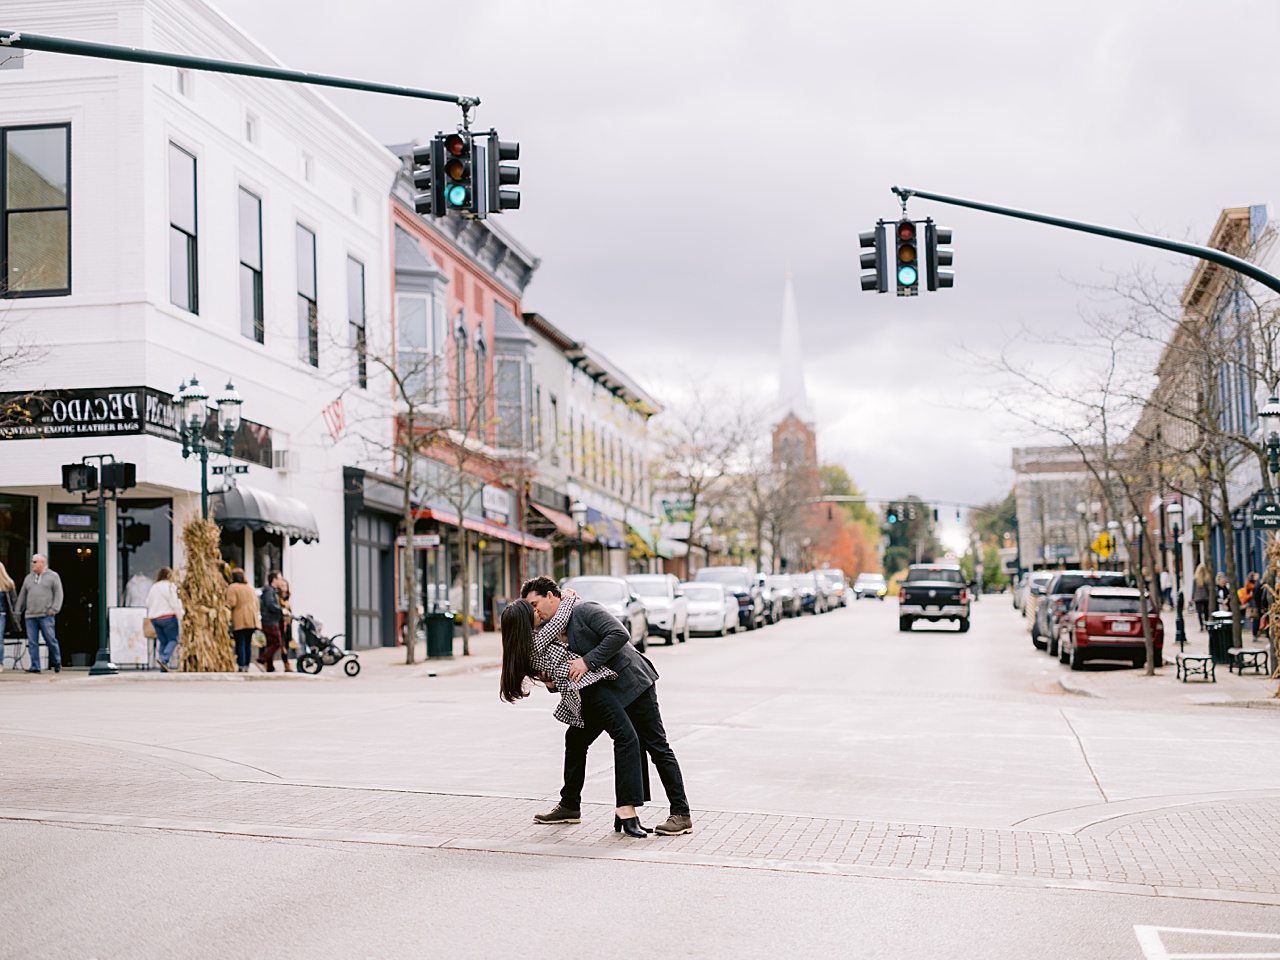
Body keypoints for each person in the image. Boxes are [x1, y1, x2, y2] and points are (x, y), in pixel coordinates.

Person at [521, 576, 693, 838]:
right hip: (601, 694)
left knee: (655, 746)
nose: (535, 611)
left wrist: (587, 662)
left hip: (633, 684)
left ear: (551, 596)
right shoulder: (550, 630)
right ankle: (569, 806)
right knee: (576, 739)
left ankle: (681, 814)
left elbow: (619, 634)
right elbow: (562, 667)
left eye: (536, 603)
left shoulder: (584, 610)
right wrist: (551, 682)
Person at [500, 597, 650, 838]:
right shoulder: (537, 639)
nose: (538, 611)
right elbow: (562, 614)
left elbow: (551, 674)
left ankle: (569, 804)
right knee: (627, 738)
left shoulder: (526, 645)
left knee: (576, 740)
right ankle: (626, 810)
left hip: (581, 692)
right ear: (524, 622)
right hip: (590, 689)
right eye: (532, 610)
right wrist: (568, 597)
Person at [15, 554, 63, 673]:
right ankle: (35, 666)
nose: (32, 564)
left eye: (35, 562)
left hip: (46, 615)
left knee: (50, 639)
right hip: (30, 615)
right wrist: (17, 611)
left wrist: (54, 609)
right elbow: (22, 596)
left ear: (43, 563)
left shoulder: (53, 577)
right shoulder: (28, 578)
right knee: (32, 642)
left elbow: (59, 594)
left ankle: (56, 661)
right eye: (32, 561)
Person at [146, 567, 184, 672]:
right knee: (173, 639)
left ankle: (163, 666)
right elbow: (174, 603)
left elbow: (148, 603)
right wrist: (181, 615)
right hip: (168, 617)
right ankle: (164, 659)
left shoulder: (154, 587)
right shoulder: (170, 586)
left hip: (155, 618)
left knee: (163, 641)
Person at [226, 569, 260, 673]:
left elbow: (231, 602)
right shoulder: (250, 588)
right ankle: (246, 665)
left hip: (240, 618)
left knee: (240, 642)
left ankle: (241, 665)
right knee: (247, 643)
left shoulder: (233, 587)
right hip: (252, 618)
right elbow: (257, 603)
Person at [258, 570, 288, 672]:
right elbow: (270, 605)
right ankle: (261, 660)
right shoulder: (269, 591)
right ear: (274, 580)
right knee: (276, 643)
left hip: (271, 620)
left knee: (271, 643)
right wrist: (281, 610)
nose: (281, 581)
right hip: (270, 621)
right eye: (279, 578)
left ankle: (270, 667)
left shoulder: (272, 591)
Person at [0, 560, 16, 672]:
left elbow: (14, 602)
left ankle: (0, 663)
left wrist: (16, 617)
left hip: (1, 614)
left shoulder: (7, 584)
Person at [277, 578, 294, 672]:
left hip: (287, 624)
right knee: (280, 644)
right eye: (282, 586)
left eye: (285, 586)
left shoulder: (287, 599)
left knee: (286, 644)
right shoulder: (278, 598)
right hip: (280, 623)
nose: (284, 588)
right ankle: (286, 664)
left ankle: (287, 664)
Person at [1191, 564, 1211, 631]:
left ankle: (1201, 625)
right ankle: (1206, 624)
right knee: (1206, 612)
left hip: (1198, 598)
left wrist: (1192, 597)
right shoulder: (1206, 579)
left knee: (1199, 612)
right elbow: (1208, 589)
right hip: (1205, 597)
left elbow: (1193, 589)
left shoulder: (1196, 579)